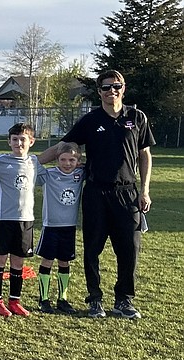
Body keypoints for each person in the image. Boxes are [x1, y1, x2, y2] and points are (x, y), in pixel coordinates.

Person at [39, 70, 153, 319]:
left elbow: (144, 154)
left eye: (116, 86)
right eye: (106, 87)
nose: (112, 91)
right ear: (99, 91)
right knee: (92, 250)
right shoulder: (91, 120)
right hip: (96, 193)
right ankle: (95, 300)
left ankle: (124, 300)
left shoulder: (137, 117)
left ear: (123, 88)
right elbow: (62, 146)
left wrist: (144, 190)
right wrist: (28, 164)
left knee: (129, 250)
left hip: (128, 194)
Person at [0, 123, 46, 318]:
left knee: (18, 261)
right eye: (15, 139)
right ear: (9, 142)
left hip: (26, 220)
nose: (18, 143)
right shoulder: (0, 161)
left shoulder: (34, 162)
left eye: (23, 139)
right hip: (3, 219)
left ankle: (14, 301)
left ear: (31, 142)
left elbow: (46, 177)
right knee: (0, 259)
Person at [36, 143, 83, 314]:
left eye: (72, 160)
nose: (67, 163)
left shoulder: (80, 173)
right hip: (51, 226)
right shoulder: (48, 174)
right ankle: (44, 299)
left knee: (65, 261)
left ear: (78, 161)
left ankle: (63, 299)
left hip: (69, 227)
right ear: (56, 160)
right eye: (63, 159)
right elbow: (33, 164)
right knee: (47, 260)